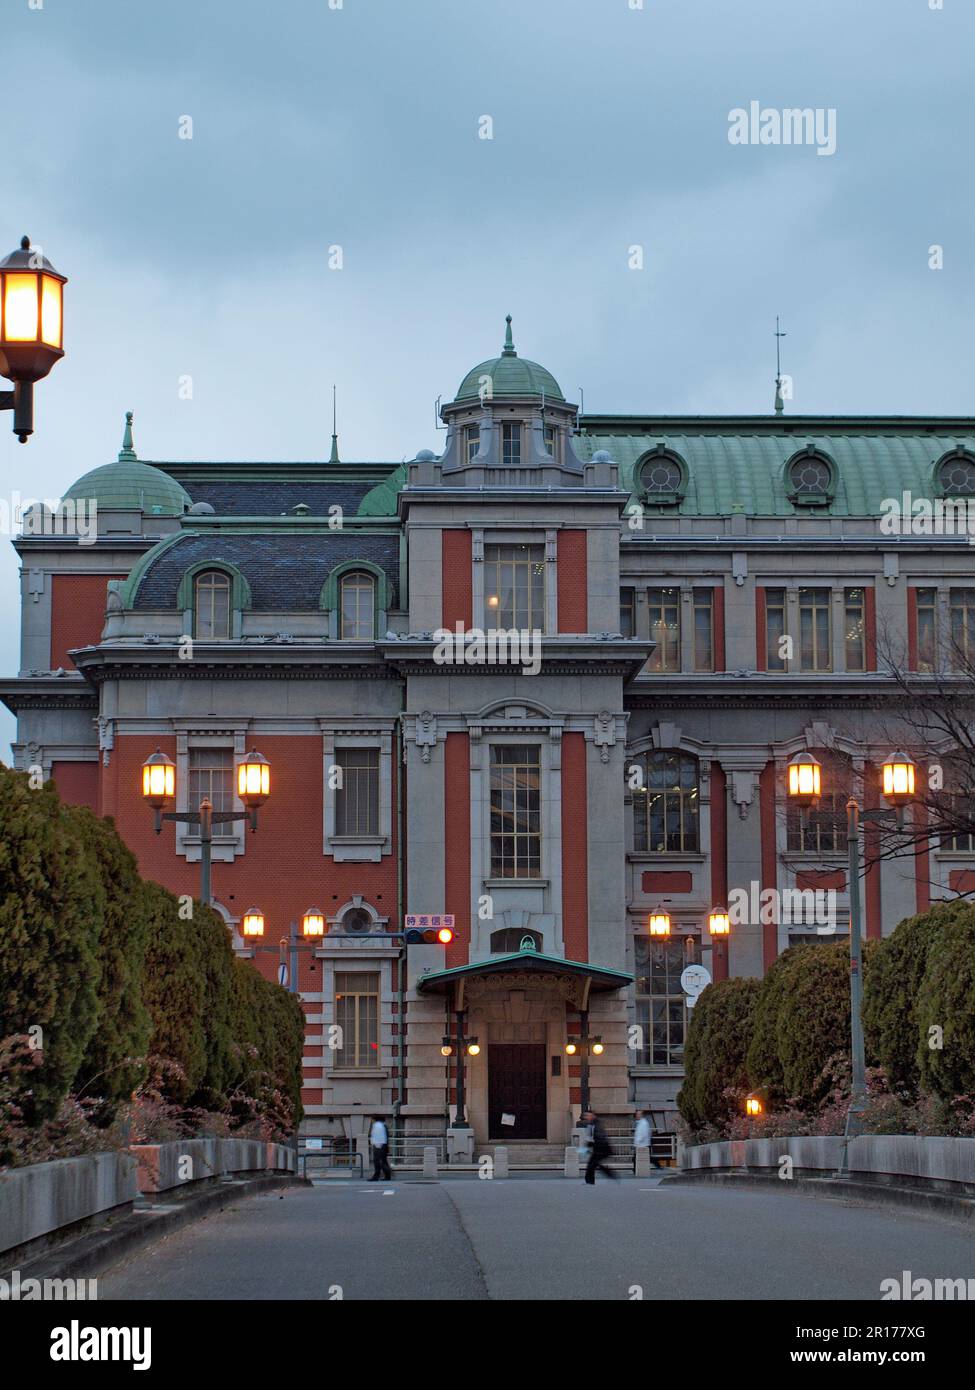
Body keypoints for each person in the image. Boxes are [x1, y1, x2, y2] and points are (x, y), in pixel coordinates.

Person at [582, 1109, 617, 1185]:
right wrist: (588, 1146)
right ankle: (591, 1181)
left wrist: (590, 1145)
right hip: (598, 1148)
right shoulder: (591, 1124)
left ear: (592, 1115)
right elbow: (590, 1138)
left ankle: (591, 1181)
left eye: (588, 1115)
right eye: (586, 1115)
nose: (586, 1117)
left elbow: (599, 1136)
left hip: (602, 1148)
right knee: (593, 1164)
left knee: (592, 1164)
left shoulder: (596, 1124)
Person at [368, 1115, 392, 1182]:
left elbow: (378, 1136)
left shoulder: (378, 1125)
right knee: (383, 1161)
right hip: (382, 1145)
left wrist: (376, 1145)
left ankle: (377, 1176)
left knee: (378, 1162)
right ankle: (387, 1175)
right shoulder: (382, 1125)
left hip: (379, 1145)